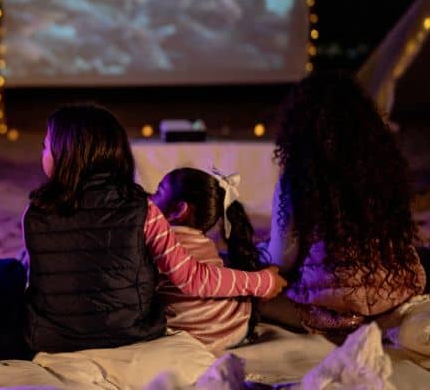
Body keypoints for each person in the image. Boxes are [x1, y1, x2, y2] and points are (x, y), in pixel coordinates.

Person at [23, 104, 286, 353]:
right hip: (128, 335)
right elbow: (191, 278)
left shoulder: (35, 214)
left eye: (46, 146)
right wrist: (261, 281)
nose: (42, 153)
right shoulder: (143, 211)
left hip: (51, 338)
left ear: (67, 156)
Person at [264, 71, 426, 334]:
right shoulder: (385, 167)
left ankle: (338, 324)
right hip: (396, 295)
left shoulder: (300, 175)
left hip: (331, 306)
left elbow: (282, 257)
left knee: (248, 294)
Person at [151, 167, 266, 352]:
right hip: (232, 325)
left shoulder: (161, 238)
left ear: (179, 210)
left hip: (194, 333)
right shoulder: (205, 242)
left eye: (158, 192)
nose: (150, 197)